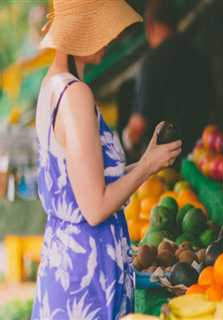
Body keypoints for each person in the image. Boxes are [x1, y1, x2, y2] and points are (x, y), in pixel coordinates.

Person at [32, 1, 182, 318]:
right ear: (80, 33)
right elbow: (95, 207)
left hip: (68, 265)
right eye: (102, 29)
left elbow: (82, 181)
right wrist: (146, 167)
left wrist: (144, 159)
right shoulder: (76, 95)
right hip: (87, 275)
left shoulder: (52, 85)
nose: (111, 38)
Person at [123, 0, 214, 166]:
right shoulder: (199, 57)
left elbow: (138, 127)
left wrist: (126, 140)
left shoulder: (151, 63)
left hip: (164, 166)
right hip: (200, 159)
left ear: (149, 24)